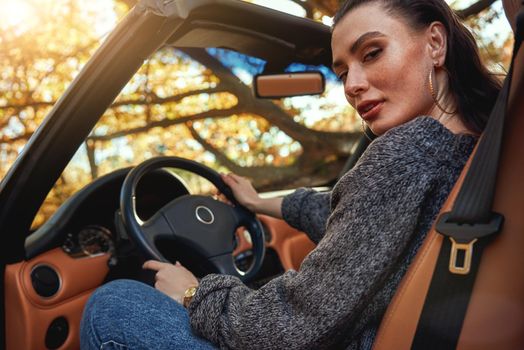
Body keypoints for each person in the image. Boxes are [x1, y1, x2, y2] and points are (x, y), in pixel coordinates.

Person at [80, 0, 504, 349]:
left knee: (114, 303)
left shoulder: (403, 155)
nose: (353, 84)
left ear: (435, 43)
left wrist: (194, 292)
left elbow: (292, 326)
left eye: (371, 53)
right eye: (342, 73)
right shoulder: (481, 149)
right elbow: (363, 225)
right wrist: (260, 203)